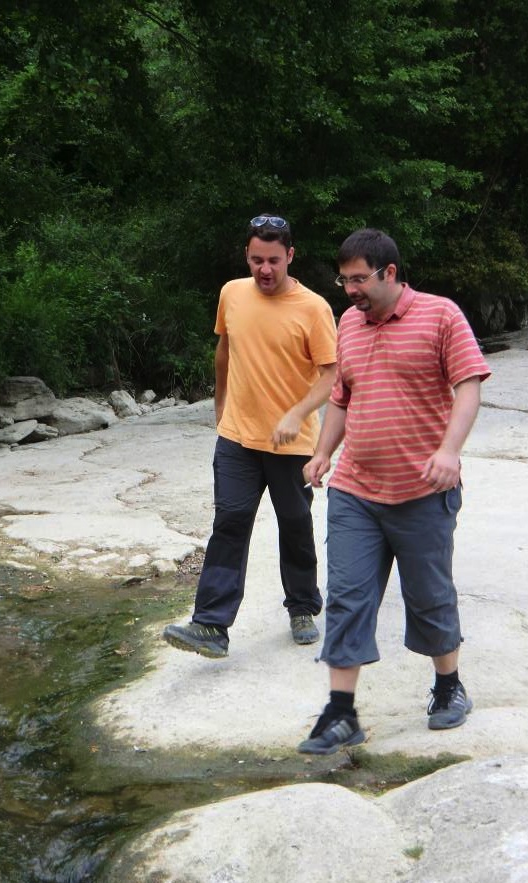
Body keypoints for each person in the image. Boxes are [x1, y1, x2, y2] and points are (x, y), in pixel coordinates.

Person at [297, 228, 491, 755]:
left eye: (359, 279)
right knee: (347, 597)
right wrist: (323, 452)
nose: (350, 290)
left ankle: (448, 686)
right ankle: (341, 713)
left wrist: (449, 451)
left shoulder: (441, 315)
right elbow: (342, 397)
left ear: (389, 272)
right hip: (355, 490)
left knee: (428, 596)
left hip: (422, 490)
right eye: (344, 280)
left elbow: (468, 385)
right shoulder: (348, 323)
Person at [163, 214, 337, 658]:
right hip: (237, 439)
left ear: (290, 256)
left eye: (274, 260)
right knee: (230, 522)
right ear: (247, 255)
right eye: (257, 260)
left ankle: (302, 607)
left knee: (294, 524)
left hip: (290, 444)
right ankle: (211, 624)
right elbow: (225, 349)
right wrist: (221, 405)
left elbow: (331, 375)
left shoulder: (314, 308)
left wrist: (298, 413)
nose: (265, 269)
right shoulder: (232, 294)